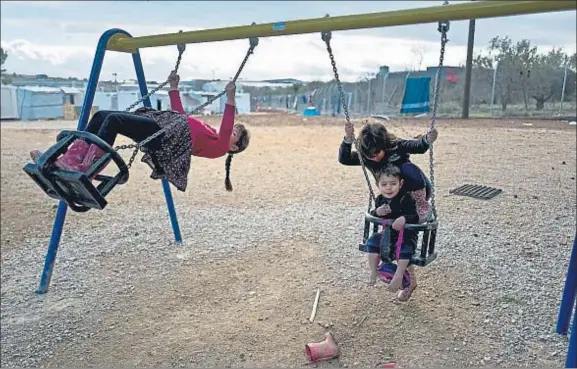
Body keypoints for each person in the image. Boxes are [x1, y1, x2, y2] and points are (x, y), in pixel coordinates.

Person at [29, 71, 251, 192]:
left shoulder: (220, 147)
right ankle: (68, 159)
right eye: (232, 129)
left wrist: (230, 98)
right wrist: (173, 88)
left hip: (165, 140)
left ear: (234, 147)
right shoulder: (209, 132)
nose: (229, 130)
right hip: (164, 126)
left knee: (114, 120)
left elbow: (221, 129)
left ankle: (86, 169)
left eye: (234, 133)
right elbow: (179, 115)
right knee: (101, 116)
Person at [338, 120, 437, 223]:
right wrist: (348, 139)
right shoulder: (365, 156)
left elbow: (417, 146)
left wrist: (427, 139)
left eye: (377, 153)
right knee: (393, 222)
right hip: (393, 196)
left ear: (384, 145)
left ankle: (421, 207)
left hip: (417, 189)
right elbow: (345, 159)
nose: (374, 158)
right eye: (370, 156)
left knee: (408, 168)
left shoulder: (395, 146)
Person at [362, 165, 419, 301]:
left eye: (393, 184)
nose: (389, 188)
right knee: (372, 243)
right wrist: (377, 212)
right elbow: (374, 214)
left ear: (401, 183)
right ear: (378, 185)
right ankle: (374, 271)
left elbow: (415, 216)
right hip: (387, 236)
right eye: (384, 184)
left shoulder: (406, 198)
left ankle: (398, 275)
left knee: (405, 249)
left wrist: (404, 218)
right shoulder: (380, 200)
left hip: (406, 236)